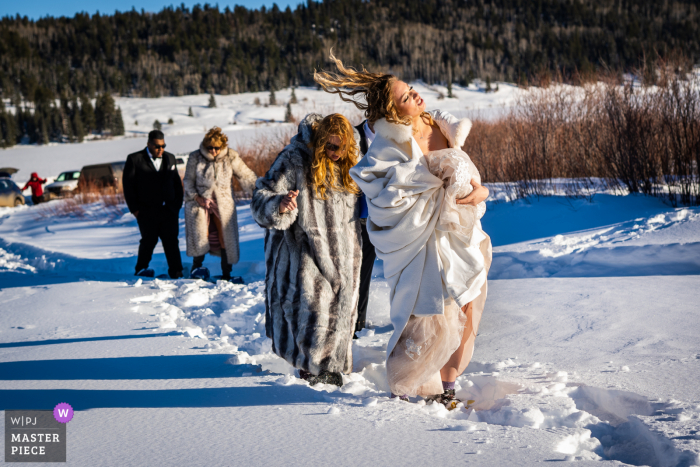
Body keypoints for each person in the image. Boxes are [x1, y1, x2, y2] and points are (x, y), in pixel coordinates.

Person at [315, 54, 492, 408]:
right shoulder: (387, 148)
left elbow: (471, 177)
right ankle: (418, 385)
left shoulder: (442, 127)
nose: (415, 96)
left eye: (411, 90)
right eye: (405, 97)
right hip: (419, 244)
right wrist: (433, 181)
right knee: (432, 316)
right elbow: (387, 200)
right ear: (392, 111)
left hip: (461, 234)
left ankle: (450, 385)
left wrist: (479, 192)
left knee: (468, 306)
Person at [251, 113, 362, 387]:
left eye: (342, 147)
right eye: (331, 147)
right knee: (314, 314)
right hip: (303, 255)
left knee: (338, 319)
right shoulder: (295, 159)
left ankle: (324, 375)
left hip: (345, 260)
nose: (336, 153)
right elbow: (260, 196)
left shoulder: (353, 163)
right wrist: (280, 204)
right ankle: (317, 379)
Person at [184, 127, 257, 281]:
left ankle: (226, 274)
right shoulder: (196, 157)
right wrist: (197, 198)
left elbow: (246, 176)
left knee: (225, 238)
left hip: (223, 205)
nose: (213, 151)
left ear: (222, 146)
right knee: (201, 237)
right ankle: (196, 270)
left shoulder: (230, 156)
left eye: (217, 148)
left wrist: (260, 190)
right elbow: (188, 182)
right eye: (210, 148)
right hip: (200, 205)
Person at [123, 130, 184, 278]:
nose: (161, 149)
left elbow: (177, 184)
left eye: (163, 146)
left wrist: (176, 206)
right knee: (148, 241)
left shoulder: (170, 158)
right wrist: (135, 210)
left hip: (168, 210)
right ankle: (141, 269)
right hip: (146, 211)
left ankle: (176, 272)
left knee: (171, 241)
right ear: (148, 144)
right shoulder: (135, 159)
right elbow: (128, 186)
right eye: (157, 146)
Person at [353, 119, 377, 338]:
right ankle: (355, 324)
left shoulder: (398, 135)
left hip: (396, 219)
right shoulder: (352, 136)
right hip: (360, 218)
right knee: (359, 272)